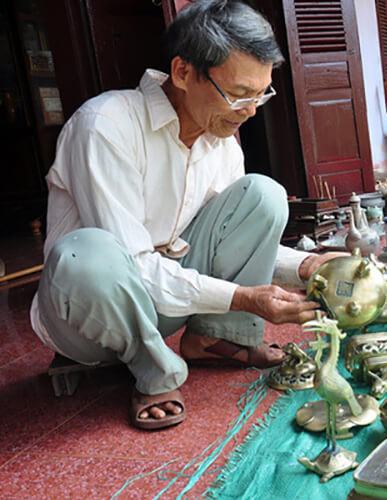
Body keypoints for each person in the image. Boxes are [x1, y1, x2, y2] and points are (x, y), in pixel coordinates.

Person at [29, 0, 339, 430]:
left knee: (265, 195)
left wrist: (308, 267)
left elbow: (228, 235)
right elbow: (132, 268)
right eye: (238, 94)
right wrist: (244, 297)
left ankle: (215, 338)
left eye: (260, 94)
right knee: (89, 253)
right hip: (89, 312)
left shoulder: (221, 141)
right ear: (182, 73)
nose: (249, 111)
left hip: (166, 298)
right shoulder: (105, 126)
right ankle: (152, 370)